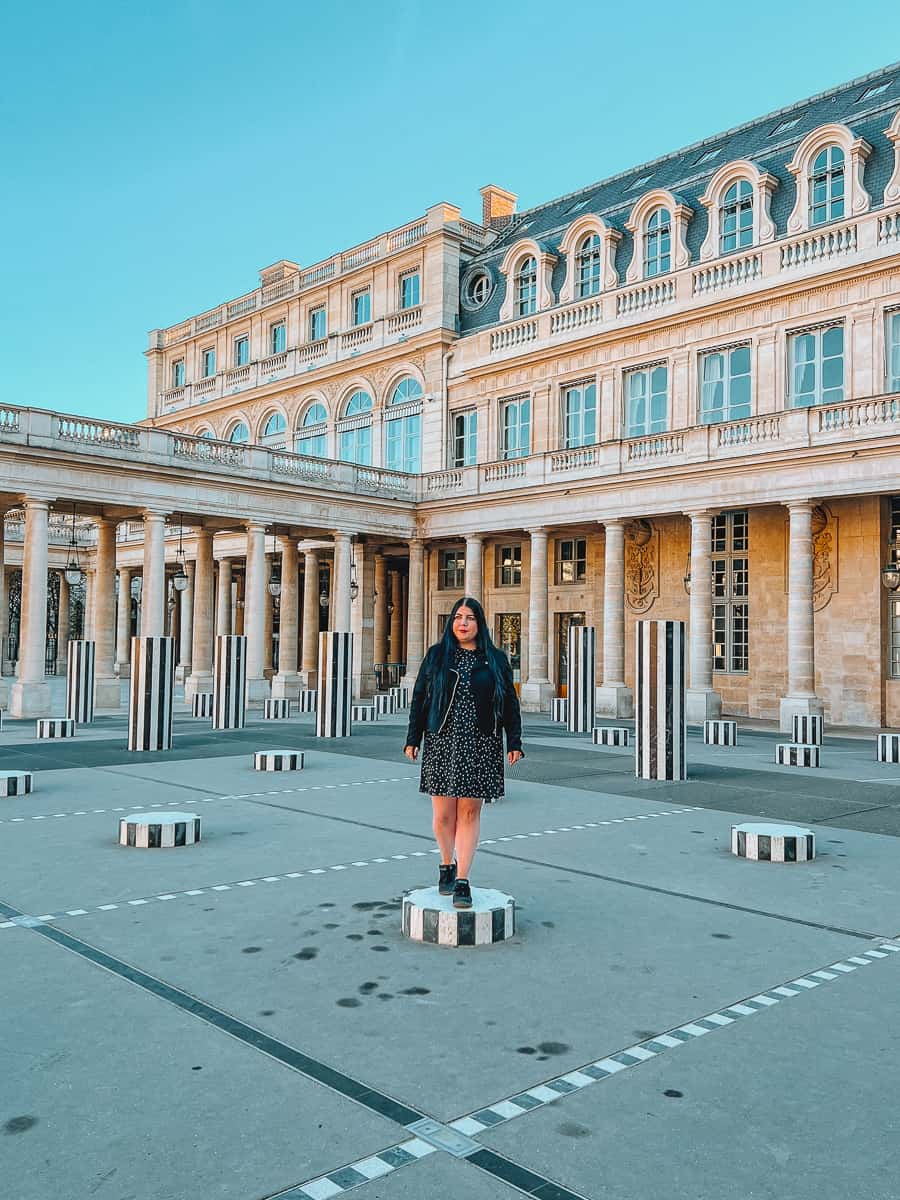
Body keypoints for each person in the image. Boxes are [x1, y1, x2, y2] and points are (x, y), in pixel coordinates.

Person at [404, 596, 524, 909]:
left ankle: (463, 880)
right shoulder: (437, 656)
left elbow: (510, 702)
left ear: (479, 623)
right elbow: (420, 697)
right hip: (442, 740)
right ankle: (446, 865)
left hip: (481, 742)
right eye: (458, 617)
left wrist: (514, 741)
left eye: (470, 617)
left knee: (470, 812)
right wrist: (412, 737)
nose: (463, 623)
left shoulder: (495, 659)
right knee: (443, 814)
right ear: (451, 622)